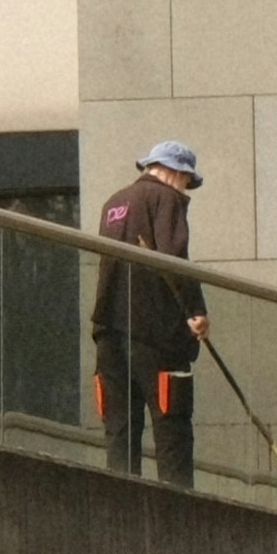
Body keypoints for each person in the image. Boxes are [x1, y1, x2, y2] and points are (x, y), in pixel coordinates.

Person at [94, 140, 206, 484]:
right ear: (175, 172)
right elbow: (172, 257)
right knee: (171, 428)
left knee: (120, 429)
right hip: (157, 333)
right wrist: (196, 311)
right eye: (188, 181)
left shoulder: (114, 202)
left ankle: (119, 507)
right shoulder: (165, 198)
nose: (187, 189)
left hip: (109, 333)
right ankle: (178, 511)